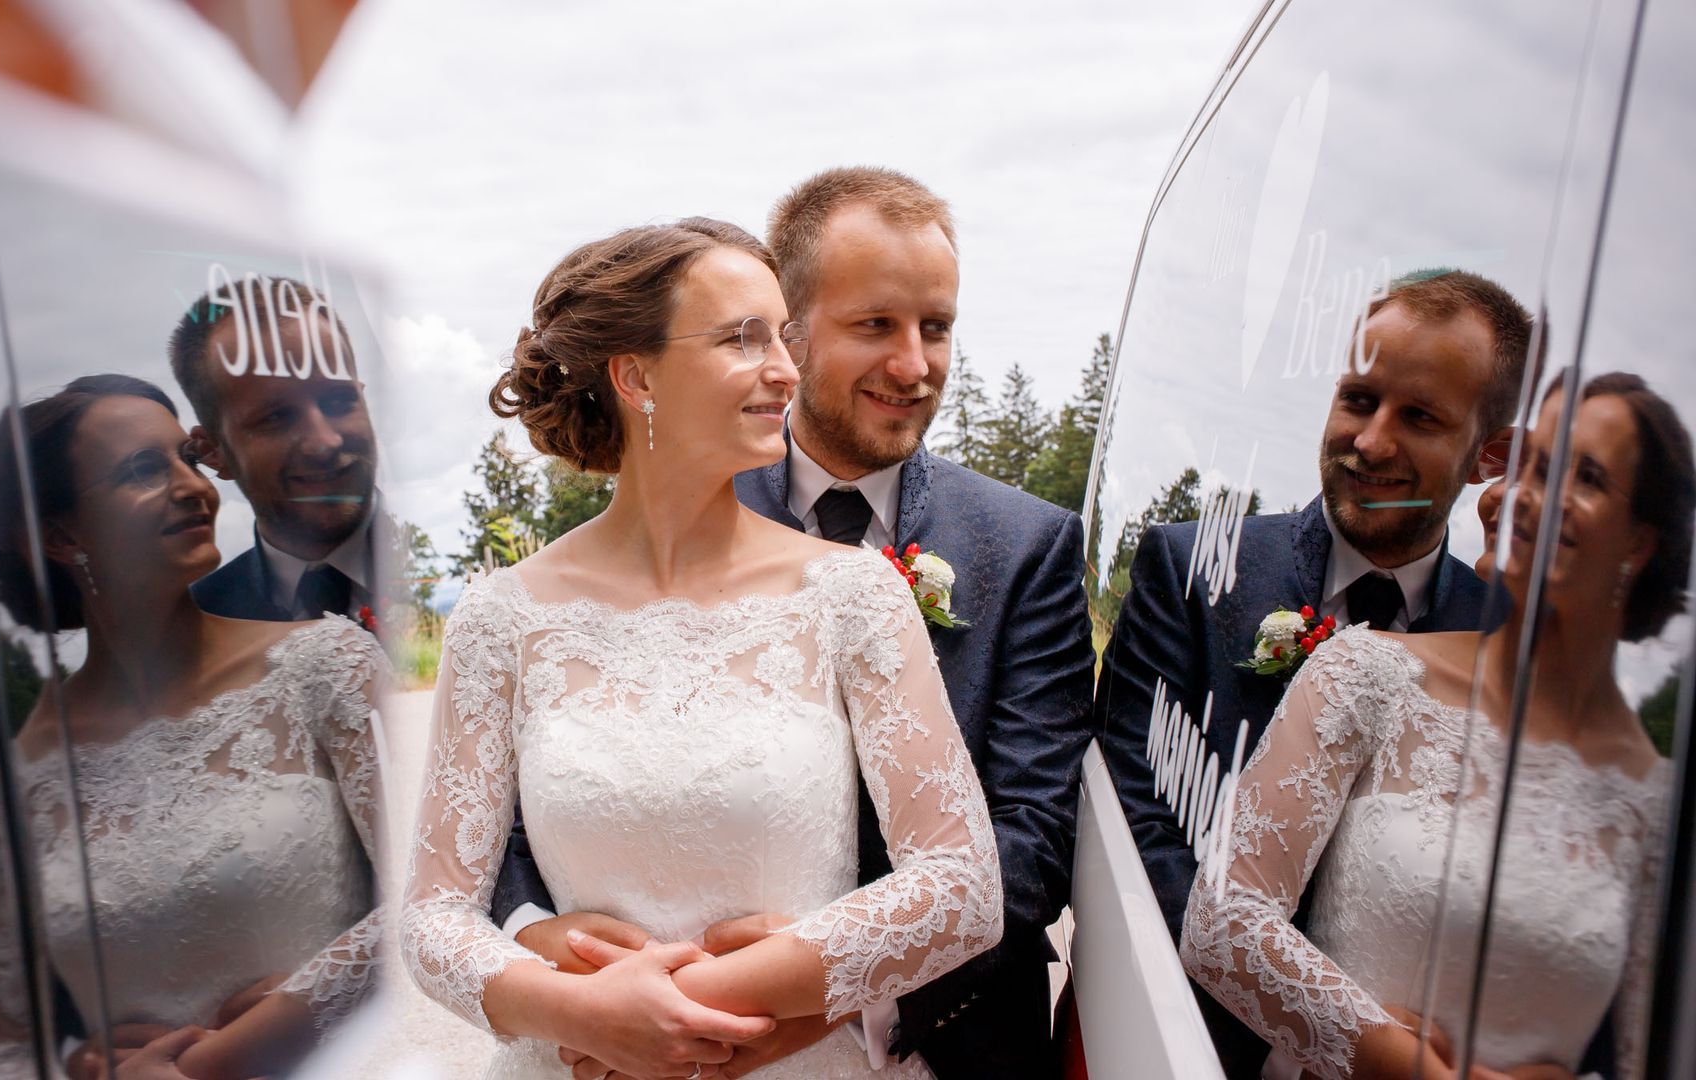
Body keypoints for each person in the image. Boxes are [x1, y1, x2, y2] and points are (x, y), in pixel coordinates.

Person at [497, 167, 1093, 1078]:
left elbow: (1033, 836)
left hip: (939, 1035)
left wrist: (821, 984)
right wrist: (551, 951)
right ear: (795, 329)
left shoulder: (1026, 545)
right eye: (874, 326)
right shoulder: (655, 510)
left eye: (936, 328)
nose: (914, 365)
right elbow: (513, 812)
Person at [400, 220, 1003, 1080]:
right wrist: (575, 1008)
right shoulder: (502, 618)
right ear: (636, 376)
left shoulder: (852, 593)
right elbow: (433, 916)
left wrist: (711, 1005)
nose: (786, 369)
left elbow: (960, 886)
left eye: (782, 335)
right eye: (741, 337)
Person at [1182, 370, 1690, 1079]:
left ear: (1638, 544)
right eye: (1535, 464)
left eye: (1586, 477)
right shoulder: (1367, 672)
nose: (1526, 495)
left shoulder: (1658, 805)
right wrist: (1402, 1062)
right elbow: (1223, 921)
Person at [1094, 269, 1534, 1073]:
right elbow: (1135, 823)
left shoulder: (1505, 638)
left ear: (1489, 454)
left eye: (1421, 418)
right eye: (1359, 400)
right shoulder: (1192, 570)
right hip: (1179, 1036)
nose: (1370, 442)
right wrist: (1317, 1015)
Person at [0, 374, 388, 1080]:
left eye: (185, 455)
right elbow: (2, 1049)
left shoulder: (325, 664)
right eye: (144, 471)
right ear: (59, 535)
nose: (196, 486)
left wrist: (282, 1021)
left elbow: (436, 896)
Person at [169, 277, 386, 622]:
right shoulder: (199, 621)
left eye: (339, 401)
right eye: (277, 417)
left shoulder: (458, 573)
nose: (324, 442)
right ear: (213, 451)